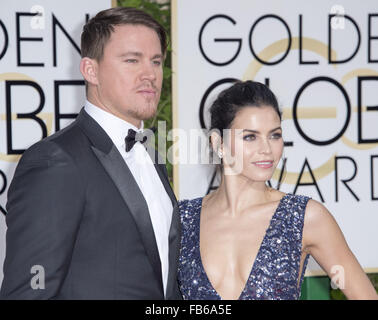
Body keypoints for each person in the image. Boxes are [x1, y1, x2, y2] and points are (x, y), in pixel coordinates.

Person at [0, 7, 181, 300]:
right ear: (90, 70)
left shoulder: (150, 154)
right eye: (132, 60)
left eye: (156, 61)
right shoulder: (54, 162)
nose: (150, 74)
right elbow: (29, 291)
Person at [178, 80, 378, 300]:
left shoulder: (304, 217)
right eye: (250, 137)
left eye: (274, 135)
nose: (266, 149)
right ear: (218, 144)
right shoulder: (184, 219)